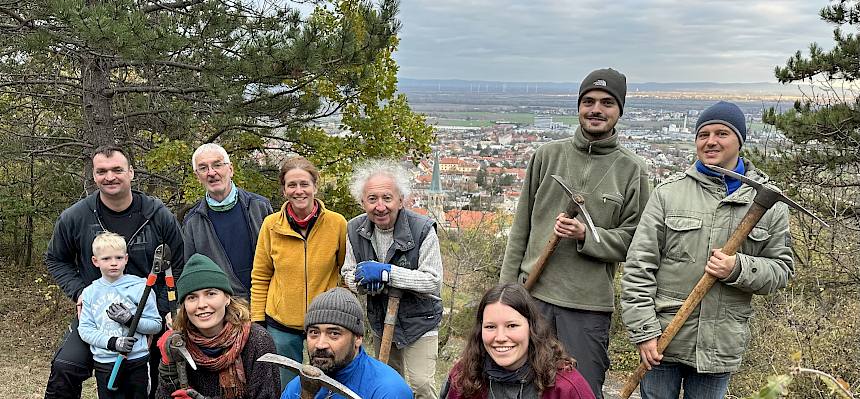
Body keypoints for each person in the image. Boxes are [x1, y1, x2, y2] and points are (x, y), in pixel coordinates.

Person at [621, 101, 794, 399]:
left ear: (740, 140)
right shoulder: (669, 194)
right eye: (703, 134)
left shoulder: (769, 204)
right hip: (662, 340)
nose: (711, 141)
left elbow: (781, 270)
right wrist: (644, 332)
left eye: (722, 133)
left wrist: (737, 269)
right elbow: (638, 268)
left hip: (720, 345)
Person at [499, 68, 650, 398]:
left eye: (607, 102)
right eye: (589, 101)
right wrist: (505, 294)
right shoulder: (546, 157)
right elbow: (520, 229)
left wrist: (588, 236)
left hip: (587, 307)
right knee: (520, 389)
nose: (596, 109)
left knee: (581, 390)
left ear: (619, 111)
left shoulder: (632, 170)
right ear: (579, 106)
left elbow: (636, 242)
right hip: (532, 296)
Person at [45, 145, 185, 399]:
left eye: (117, 169)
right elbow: (56, 259)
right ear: (94, 176)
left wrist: (162, 313)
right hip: (99, 316)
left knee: (165, 374)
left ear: (131, 172)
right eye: (102, 171)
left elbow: (179, 263)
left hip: (151, 316)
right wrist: (80, 293)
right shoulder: (76, 217)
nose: (110, 176)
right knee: (65, 367)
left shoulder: (157, 215)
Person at [340, 159, 443, 399]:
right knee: (390, 382)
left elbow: (432, 280)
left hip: (421, 321)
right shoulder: (354, 229)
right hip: (381, 319)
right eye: (372, 199)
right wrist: (362, 282)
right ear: (362, 201)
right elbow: (348, 272)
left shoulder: (423, 229)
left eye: (387, 198)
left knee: (421, 385)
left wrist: (388, 273)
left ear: (401, 199)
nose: (380, 206)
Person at [251, 156, 347, 388]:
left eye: (304, 184)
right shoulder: (271, 225)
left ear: (315, 186)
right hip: (282, 323)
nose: (299, 191)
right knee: (286, 387)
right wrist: (257, 321)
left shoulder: (337, 224)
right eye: (292, 185)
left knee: (330, 384)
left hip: (326, 322)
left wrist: (339, 309)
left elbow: (346, 272)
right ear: (284, 190)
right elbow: (261, 275)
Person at [156, 254, 280, 399]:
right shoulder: (179, 344)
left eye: (211, 294)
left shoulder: (257, 341)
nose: (201, 304)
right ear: (184, 305)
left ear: (227, 298)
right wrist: (167, 368)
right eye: (192, 297)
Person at [441, 283, 595, 399]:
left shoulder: (567, 387)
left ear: (532, 328)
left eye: (512, 325)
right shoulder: (464, 376)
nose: (500, 337)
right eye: (490, 327)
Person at [280, 287, 413, 399]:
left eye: (334, 334)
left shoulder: (388, 391)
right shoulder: (297, 388)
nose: (320, 344)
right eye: (314, 333)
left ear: (358, 338)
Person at [183, 143, 273, 299]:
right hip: (223, 309)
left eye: (217, 165)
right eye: (203, 168)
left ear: (230, 169)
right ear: (197, 176)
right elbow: (191, 273)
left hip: (266, 300)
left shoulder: (260, 207)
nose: (212, 173)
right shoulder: (193, 222)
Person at [78, 232, 161, 399]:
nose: (113, 263)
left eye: (118, 257)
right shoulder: (89, 293)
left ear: (126, 258)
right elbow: (85, 330)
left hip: (137, 361)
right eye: (106, 259)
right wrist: (113, 342)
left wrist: (130, 320)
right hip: (105, 363)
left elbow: (156, 325)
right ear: (95, 261)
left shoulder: (141, 288)